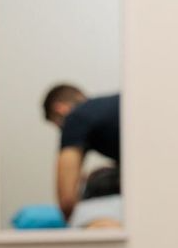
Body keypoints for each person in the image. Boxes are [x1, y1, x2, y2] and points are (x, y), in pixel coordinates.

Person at [41, 84, 121, 221]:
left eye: (59, 126)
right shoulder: (118, 105)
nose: (62, 130)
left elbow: (67, 201)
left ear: (60, 109)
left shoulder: (75, 117)